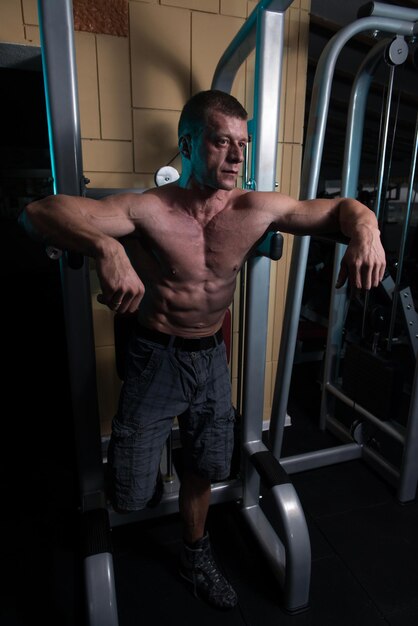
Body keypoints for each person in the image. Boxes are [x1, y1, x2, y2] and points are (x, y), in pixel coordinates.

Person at [20, 89, 386, 610]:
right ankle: (147, 457)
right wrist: (106, 246)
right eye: (221, 142)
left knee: (206, 468)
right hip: (155, 358)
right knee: (128, 494)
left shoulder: (256, 209)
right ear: (188, 144)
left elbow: (338, 210)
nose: (237, 157)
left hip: (211, 359)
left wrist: (367, 231)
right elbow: (37, 212)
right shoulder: (148, 210)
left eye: (243, 143)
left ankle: (194, 554)